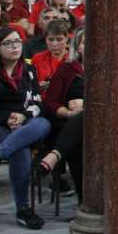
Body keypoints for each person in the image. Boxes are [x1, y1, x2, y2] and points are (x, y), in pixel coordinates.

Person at [0, 27, 51, 229]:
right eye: (8, 43)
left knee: (43, 123)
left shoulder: (29, 71)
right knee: (20, 149)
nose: (15, 46)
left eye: (17, 42)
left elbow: (36, 102)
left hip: (23, 125)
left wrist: (23, 115)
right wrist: (5, 118)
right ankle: (23, 210)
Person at [38, 27, 87, 196]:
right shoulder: (67, 68)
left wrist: (86, 104)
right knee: (78, 138)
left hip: (104, 121)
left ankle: (55, 155)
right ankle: (84, 199)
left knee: (85, 116)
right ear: (77, 46)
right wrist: (68, 113)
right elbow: (50, 102)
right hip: (69, 122)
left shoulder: (111, 69)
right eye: (85, 42)